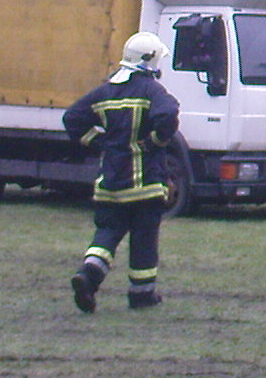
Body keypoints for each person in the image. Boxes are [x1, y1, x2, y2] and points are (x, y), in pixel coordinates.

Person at [64, 31, 182, 312]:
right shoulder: (150, 90)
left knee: (106, 235)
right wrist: (153, 142)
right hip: (144, 186)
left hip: (110, 183)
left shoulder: (105, 91)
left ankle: (88, 275)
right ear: (151, 60)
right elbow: (168, 114)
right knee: (144, 240)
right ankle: (142, 295)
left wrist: (101, 142)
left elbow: (72, 119)